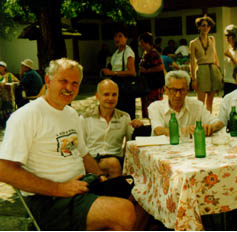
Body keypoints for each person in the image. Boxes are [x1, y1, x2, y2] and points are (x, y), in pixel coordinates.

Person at [0, 58, 136, 230]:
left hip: (81, 187)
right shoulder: (26, 116)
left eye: (75, 83)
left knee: (139, 197)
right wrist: (59, 189)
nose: (69, 88)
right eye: (63, 81)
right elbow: (4, 171)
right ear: (48, 81)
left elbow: (84, 154)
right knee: (124, 212)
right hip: (49, 200)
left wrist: (101, 178)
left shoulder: (71, 114)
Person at [80, 79, 144, 178]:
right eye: (106, 94)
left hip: (116, 158)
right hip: (93, 159)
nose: (110, 98)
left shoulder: (124, 117)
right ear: (97, 96)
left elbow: (130, 143)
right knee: (112, 163)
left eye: (114, 95)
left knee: (115, 163)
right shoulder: (85, 118)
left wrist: (138, 126)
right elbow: (80, 147)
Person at [148, 70, 220, 136]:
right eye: (173, 90)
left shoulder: (197, 106)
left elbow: (217, 122)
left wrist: (210, 127)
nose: (178, 95)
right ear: (166, 90)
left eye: (182, 90)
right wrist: (185, 131)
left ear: (187, 90)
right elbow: (158, 131)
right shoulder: (155, 107)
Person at [101, 25, 137, 120]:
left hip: (125, 87)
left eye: (120, 36)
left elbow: (132, 72)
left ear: (126, 38)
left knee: (127, 114)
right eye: (116, 36)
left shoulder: (128, 52)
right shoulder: (116, 52)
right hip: (116, 86)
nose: (117, 39)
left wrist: (113, 73)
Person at [190, 15, 222, 113]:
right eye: (203, 25)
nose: (205, 28)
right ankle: (201, 121)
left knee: (210, 101)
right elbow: (192, 62)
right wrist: (193, 79)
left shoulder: (212, 39)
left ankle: (210, 119)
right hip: (202, 70)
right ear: (199, 27)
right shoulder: (193, 43)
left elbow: (215, 56)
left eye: (208, 26)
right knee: (200, 102)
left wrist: (219, 71)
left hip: (213, 69)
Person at [138, 32, 165, 118]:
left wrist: (147, 70)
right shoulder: (145, 53)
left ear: (146, 42)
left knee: (154, 107)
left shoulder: (153, 53)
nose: (140, 44)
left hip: (154, 85)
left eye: (141, 42)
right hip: (147, 85)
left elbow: (161, 67)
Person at [223, 24, 237, 96]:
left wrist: (231, 57)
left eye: (229, 35)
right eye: (226, 35)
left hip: (234, 82)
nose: (227, 38)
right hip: (227, 81)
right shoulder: (230, 49)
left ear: (234, 36)